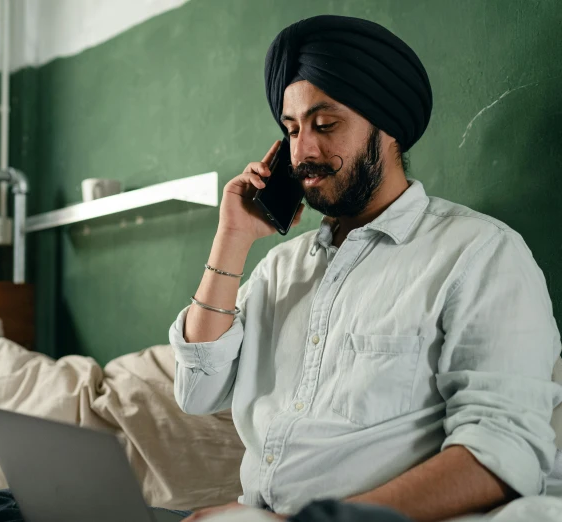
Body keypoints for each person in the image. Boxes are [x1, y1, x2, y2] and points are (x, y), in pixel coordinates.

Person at [170, 13, 562, 522]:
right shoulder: (279, 270)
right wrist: (232, 237)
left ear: (389, 128)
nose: (302, 151)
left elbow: (501, 456)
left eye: (325, 125)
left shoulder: (480, 253)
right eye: (291, 130)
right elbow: (195, 392)